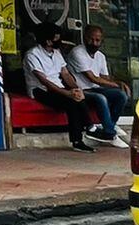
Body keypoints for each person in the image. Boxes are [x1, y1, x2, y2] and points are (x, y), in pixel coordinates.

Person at [25, 23, 94, 153]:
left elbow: (66, 74)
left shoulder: (57, 53)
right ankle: (77, 140)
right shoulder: (32, 55)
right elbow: (44, 81)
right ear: (48, 40)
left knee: (79, 96)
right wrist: (67, 93)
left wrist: (77, 88)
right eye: (57, 38)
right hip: (40, 90)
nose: (59, 41)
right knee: (71, 102)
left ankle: (90, 127)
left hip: (58, 87)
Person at [68, 24, 131, 148]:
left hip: (96, 88)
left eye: (98, 40)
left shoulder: (100, 56)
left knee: (121, 95)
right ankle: (110, 134)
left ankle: (109, 126)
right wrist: (117, 84)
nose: (94, 43)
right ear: (85, 38)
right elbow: (92, 78)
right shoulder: (77, 52)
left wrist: (119, 85)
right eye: (91, 39)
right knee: (100, 98)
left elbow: (105, 78)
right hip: (81, 90)